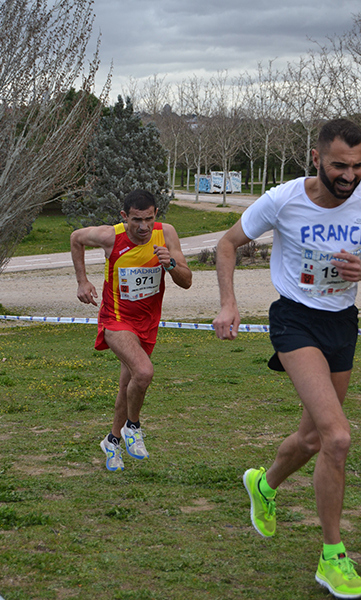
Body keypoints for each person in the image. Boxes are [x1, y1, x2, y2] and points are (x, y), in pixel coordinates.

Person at [213, 119, 361, 599]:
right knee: (338, 437)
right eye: (340, 165)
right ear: (316, 157)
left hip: (342, 321)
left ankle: (263, 483)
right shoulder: (283, 199)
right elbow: (227, 244)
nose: (350, 175)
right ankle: (333, 557)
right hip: (295, 321)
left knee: (313, 439)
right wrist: (228, 304)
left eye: (359, 166)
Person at [70, 189, 192, 473]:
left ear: (155, 215)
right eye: (136, 220)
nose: (143, 227)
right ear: (124, 217)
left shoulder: (167, 234)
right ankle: (132, 428)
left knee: (128, 386)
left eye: (148, 219)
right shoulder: (110, 236)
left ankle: (112, 441)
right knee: (144, 371)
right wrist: (82, 281)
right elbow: (76, 238)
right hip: (116, 320)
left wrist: (171, 264)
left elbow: (186, 281)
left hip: (147, 323)